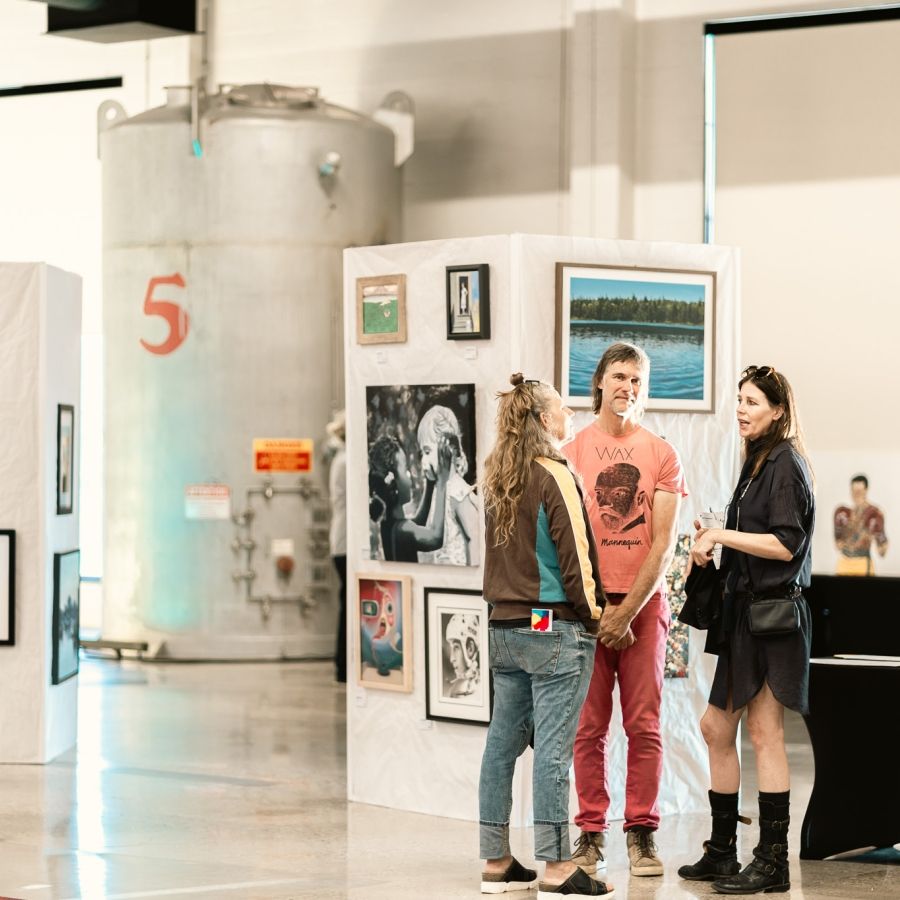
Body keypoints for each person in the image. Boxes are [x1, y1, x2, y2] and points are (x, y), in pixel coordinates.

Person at [680, 364, 815, 895]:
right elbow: (752, 537)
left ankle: (773, 862)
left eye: (753, 401)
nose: (741, 408)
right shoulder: (759, 459)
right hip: (747, 618)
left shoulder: (785, 463)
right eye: (738, 399)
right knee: (717, 728)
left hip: (772, 620)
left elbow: (785, 544)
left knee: (764, 734)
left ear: (778, 410)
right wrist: (715, 539)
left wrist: (724, 534)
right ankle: (721, 853)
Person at [479, 374, 613, 899]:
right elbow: (577, 557)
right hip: (552, 627)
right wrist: (596, 617)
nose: (570, 413)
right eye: (560, 407)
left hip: (506, 628)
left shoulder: (498, 475)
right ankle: (557, 866)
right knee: (555, 751)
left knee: (501, 746)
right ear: (540, 420)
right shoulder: (554, 473)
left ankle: (495, 860)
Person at [563, 341, 686, 878]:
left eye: (637, 380)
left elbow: (662, 546)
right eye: (618, 377)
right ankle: (590, 834)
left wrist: (625, 612)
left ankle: (642, 834)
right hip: (585, 611)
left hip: (643, 607)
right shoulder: (570, 453)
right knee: (587, 728)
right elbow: (562, 542)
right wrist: (597, 612)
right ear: (599, 382)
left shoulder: (662, 454)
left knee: (644, 724)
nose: (627, 388)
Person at [368, 431, 452, 562]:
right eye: (405, 469)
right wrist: (442, 482)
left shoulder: (391, 523)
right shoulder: (402, 531)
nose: (409, 474)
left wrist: (429, 485)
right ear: (393, 484)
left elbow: (417, 522)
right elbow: (435, 538)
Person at [416, 405, 479, 566]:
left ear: (447, 449)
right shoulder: (438, 490)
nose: (423, 461)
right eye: (421, 453)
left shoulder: (457, 492)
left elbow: (475, 538)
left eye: (427, 451)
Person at [326, 410, 347, 682]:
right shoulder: (345, 462)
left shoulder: (341, 460)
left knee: (347, 602)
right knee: (348, 603)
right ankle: (343, 665)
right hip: (345, 543)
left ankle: (343, 664)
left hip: (341, 541)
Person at [834, 474, 888, 575]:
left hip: (862, 563)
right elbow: (838, 545)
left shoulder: (874, 514)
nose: (856, 494)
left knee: (865, 590)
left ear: (866, 491)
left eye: (860, 491)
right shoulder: (843, 513)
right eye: (854, 491)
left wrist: (881, 543)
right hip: (844, 563)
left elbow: (882, 549)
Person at [444, 613, 480, 698]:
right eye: (451, 648)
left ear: (470, 649)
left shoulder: (483, 689)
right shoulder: (454, 690)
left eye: (456, 648)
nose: (452, 658)